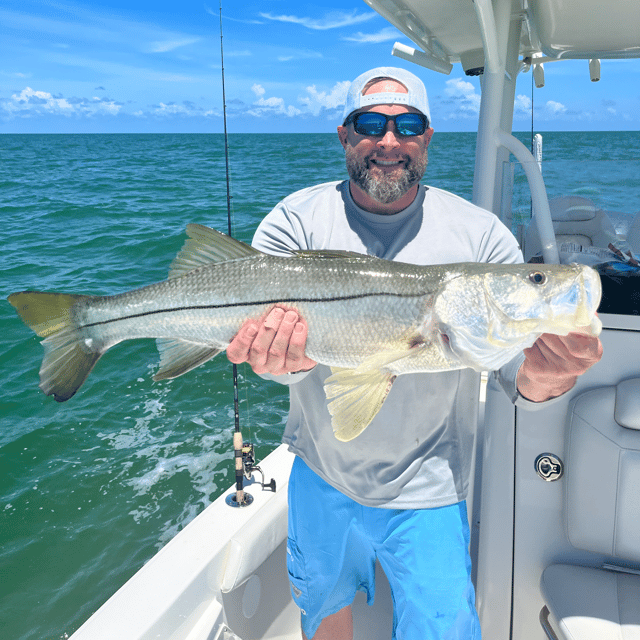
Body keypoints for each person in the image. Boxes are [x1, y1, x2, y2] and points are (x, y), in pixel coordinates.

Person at [226, 67, 602, 640]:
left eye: (407, 126)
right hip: (321, 471)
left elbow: (513, 373)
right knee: (323, 611)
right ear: (346, 135)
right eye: (371, 123)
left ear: (427, 138)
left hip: (430, 486)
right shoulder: (294, 222)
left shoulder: (483, 239)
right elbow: (277, 356)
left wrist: (547, 380)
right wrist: (281, 362)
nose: (389, 140)